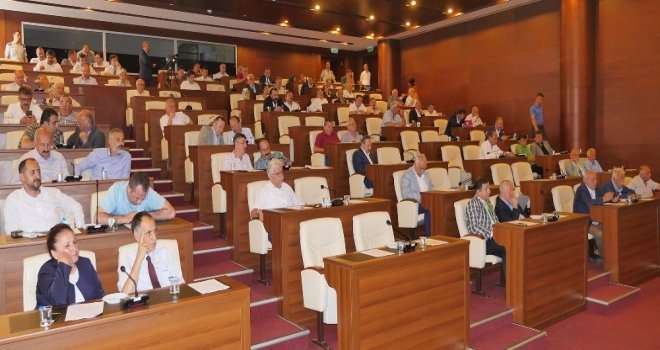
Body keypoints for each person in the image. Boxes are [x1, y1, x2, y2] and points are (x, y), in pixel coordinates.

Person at [4, 158, 83, 233]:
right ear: (22, 177)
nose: (37, 176)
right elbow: (12, 231)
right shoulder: (13, 199)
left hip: (55, 243)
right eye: (32, 172)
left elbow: (76, 206)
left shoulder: (53, 193)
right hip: (28, 244)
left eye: (38, 171)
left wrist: (79, 229)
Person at [36, 224, 104, 307]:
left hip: (89, 318)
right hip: (57, 319)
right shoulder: (46, 272)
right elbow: (57, 301)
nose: (74, 248)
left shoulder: (85, 263)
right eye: (67, 245)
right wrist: (63, 264)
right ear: (54, 253)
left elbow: (100, 297)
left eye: (74, 242)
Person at [118, 212, 183, 293]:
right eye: (149, 233)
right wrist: (139, 259)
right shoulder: (127, 259)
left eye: (155, 231)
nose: (154, 238)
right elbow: (125, 295)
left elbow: (180, 285)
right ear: (137, 235)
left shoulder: (165, 253)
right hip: (144, 304)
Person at [465, 178, 507, 279]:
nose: (489, 191)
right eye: (486, 189)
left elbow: (495, 220)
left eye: (489, 188)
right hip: (485, 240)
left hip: (496, 236)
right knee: (506, 249)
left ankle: (516, 280)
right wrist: (492, 233)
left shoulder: (487, 202)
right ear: (478, 191)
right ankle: (510, 283)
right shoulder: (473, 203)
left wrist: (501, 230)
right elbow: (474, 227)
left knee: (515, 244)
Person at [98, 172, 175, 225]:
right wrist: (124, 218)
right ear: (129, 189)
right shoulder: (116, 190)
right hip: (118, 235)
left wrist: (143, 215)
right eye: (137, 198)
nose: (140, 202)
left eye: (143, 199)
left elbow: (171, 212)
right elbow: (98, 217)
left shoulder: (148, 192)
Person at [574, 170, 615, 264]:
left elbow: (603, 198)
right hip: (584, 222)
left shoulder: (596, 189)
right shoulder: (581, 190)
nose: (595, 182)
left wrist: (613, 198)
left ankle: (612, 254)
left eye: (596, 179)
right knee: (600, 233)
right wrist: (604, 198)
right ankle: (606, 258)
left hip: (596, 219)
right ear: (586, 181)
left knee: (610, 227)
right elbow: (589, 203)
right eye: (592, 180)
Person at [400, 154, 432, 236]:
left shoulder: (426, 173)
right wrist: (423, 197)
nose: (422, 171)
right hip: (415, 204)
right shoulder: (407, 175)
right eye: (421, 168)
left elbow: (432, 188)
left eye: (424, 168)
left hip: (428, 201)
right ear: (415, 165)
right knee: (429, 210)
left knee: (438, 207)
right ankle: (430, 237)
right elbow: (405, 195)